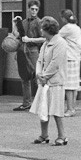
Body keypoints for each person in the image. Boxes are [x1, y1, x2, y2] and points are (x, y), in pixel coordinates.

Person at [29, 16, 69, 146]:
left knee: (56, 110)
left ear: (48, 30)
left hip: (55, 81)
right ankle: (44, 135)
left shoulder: (60, 43)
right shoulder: (46, 43)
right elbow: (40, 60)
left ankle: (62, 136)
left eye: (42, 28)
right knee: (43, 108)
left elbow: (55, 63)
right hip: (44, 81)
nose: (40, 30)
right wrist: (38, 73)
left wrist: (45, 76)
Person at [12, 0, 45, 111]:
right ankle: (26, 102)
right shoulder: (24, 22)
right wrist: (14, 24)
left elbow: (43, 38)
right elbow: (16, 35)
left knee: (37, 76)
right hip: (23, 49)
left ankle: (41, 102)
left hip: (33, 50)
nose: (34, 11)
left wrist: (30, 39)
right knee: (24, 76)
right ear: (28, 9)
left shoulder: (39, 22)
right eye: (32, 9)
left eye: (36, 9)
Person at [59, 9, 81, 117]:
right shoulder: (77, 28)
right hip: (76, 58)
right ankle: (72, 108)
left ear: (64, 18)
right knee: (74, 86)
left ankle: (69, 109)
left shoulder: (67, 28)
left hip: (69, 58)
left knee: (68, 86)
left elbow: (56, 37)